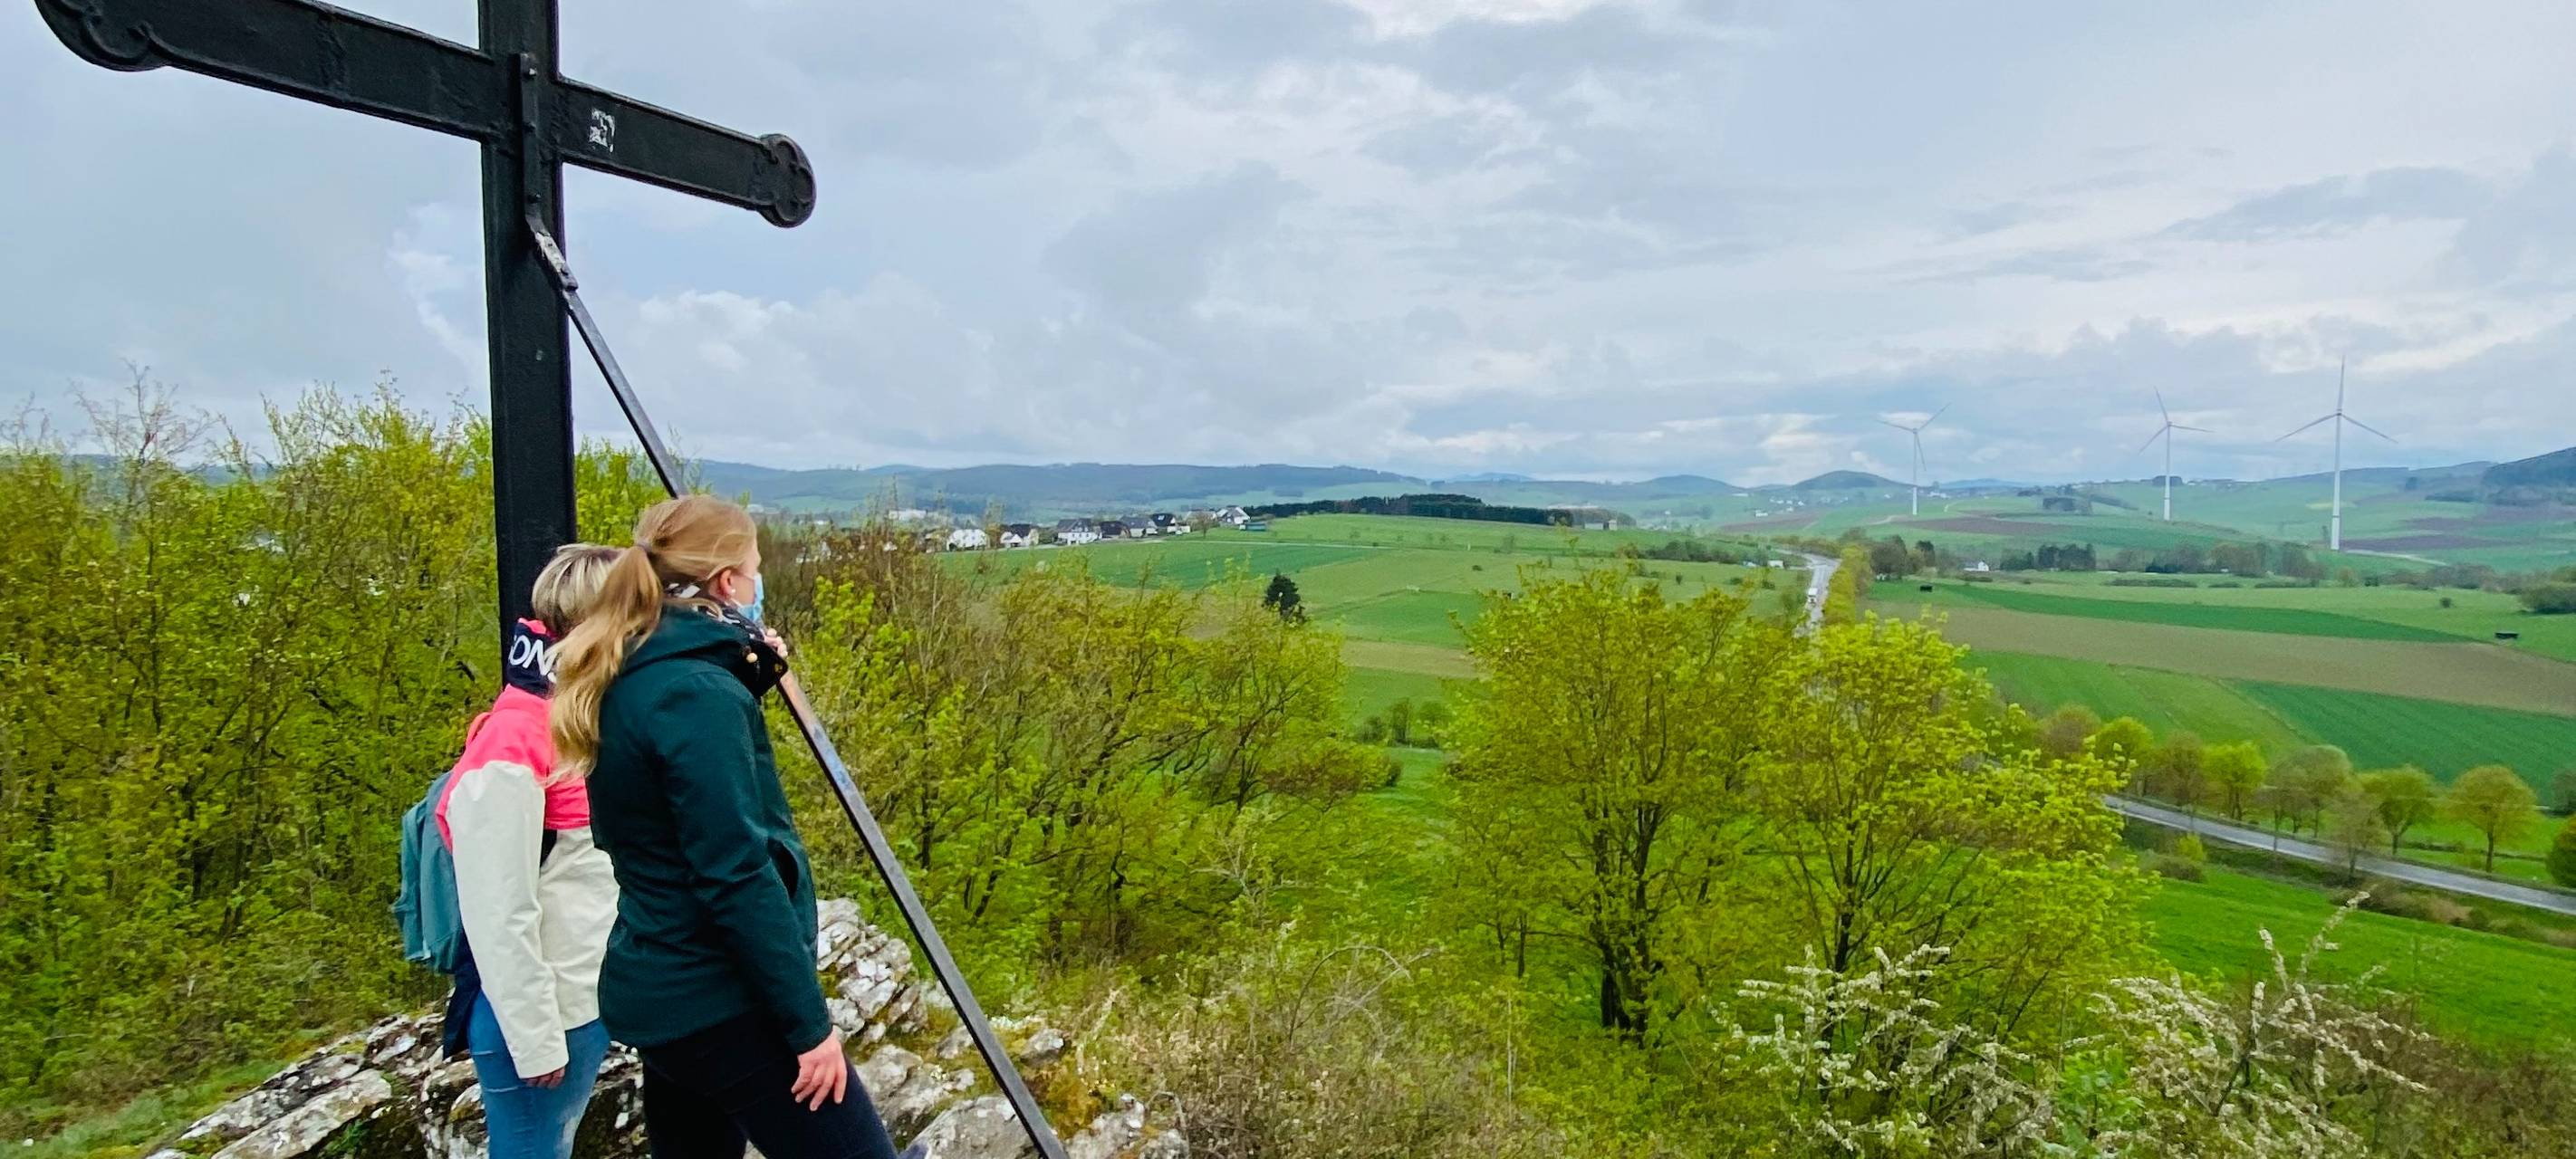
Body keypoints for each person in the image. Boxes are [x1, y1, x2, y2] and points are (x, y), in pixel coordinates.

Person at [550, 495, 899, 1159]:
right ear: (726, 582)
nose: (757, 582)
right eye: (754, 568)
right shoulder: (693, 694)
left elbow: (665, 798)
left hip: (666, 989)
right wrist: (808, 1028)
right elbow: (734, 871)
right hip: (720, 995)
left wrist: (739, 674)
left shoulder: (629, 672)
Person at [439, 543, 625, 1159]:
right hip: (547, 1016)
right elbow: (498, 908)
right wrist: (536, 1039)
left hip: (576, 1001)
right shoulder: (515, 737)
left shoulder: (566, 712)